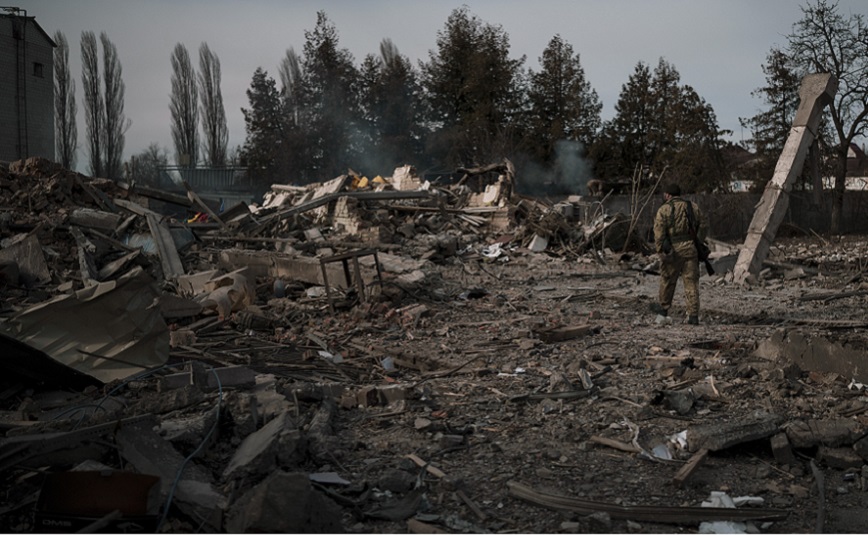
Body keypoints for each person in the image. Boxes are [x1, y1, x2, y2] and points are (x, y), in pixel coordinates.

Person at [651, 183, 708, 325]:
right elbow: (704, 225)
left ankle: (663, 311)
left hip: (673, 251)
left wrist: (660, 250)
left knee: (668, 280)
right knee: (691, 283)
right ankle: (693, 316)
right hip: (690, 249)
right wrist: (698, 242)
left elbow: (659, 233)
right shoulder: (692, 207)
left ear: (667, 195)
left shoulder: (664, 209)